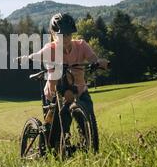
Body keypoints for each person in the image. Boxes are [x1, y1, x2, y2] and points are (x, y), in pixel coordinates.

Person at [17, 13, 109, 142]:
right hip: (55, 95)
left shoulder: (81, 46)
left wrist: (99, 62)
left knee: (88, 125)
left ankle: (88, 148)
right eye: (61, 35)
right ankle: (45, 150)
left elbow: (93, 58)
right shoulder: (50, 49)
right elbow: (37, 55)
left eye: (68, 35)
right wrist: (26, 58)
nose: (65, 38)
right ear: (53, 34)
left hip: (80, 90)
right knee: (54, 134)